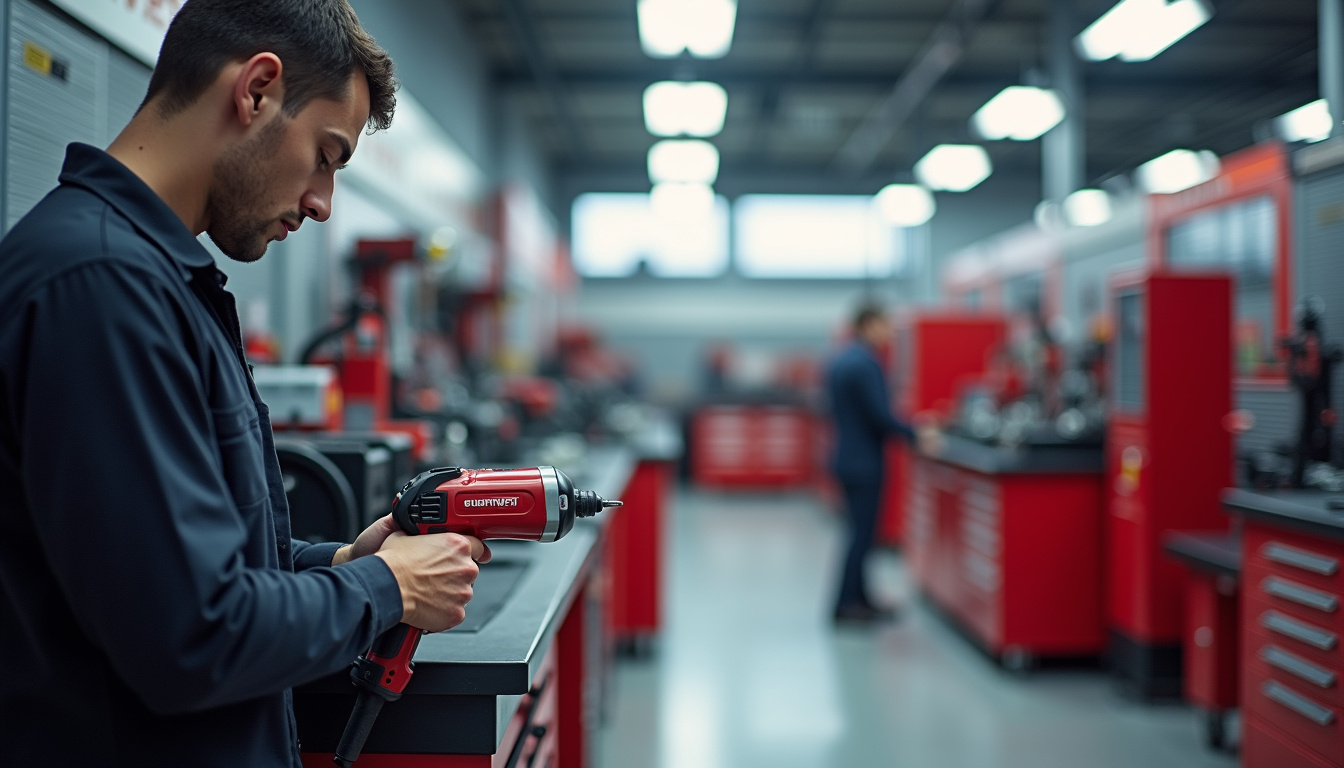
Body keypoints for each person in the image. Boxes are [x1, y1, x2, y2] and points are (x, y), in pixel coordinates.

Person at [0, 2, 487, 765]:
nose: (323, 203)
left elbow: (182, 564)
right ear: (257, 90)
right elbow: (192, 636)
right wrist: (385, 589)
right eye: (326, 155)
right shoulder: (102, 289)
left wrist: (342, 564)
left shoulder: (160, 284)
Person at [827, 303, 923, 623]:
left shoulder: (843, 358)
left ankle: (860, 598)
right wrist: (917, 433)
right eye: (885, 325)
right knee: (862, 537)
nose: (890, 333)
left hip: (846, 457)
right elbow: (881, 416)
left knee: (860, 535)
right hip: (864, 463)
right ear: (868, 324)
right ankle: (847, 604)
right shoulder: (867, 363)